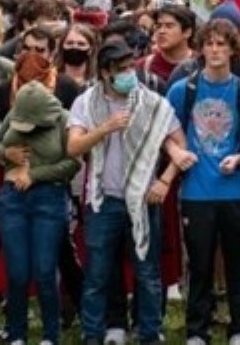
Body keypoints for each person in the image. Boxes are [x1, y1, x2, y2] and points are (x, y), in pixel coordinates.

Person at [68, 37, 186, 345]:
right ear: (105, 72)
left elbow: (179, 145)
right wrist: (105, 128)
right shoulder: (86, 102)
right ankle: (94, 332)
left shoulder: (152, 102)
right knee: (97, 273)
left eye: (130, 67)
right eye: (121, 69)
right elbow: (73, 147)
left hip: (144, 199)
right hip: (103, 200)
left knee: (147, 273)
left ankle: (149, 332)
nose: (128, 74)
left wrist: (164, 180)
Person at [167, 18, 240, 345]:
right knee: (199, 264)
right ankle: (197, 330)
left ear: (233, 49)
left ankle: (239, 327)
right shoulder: (182, 89)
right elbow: (166, 132)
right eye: (209, 43)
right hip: (197, 191)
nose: (215, 50)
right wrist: (175, 152)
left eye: (221, 44)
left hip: (237, 190)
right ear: (200, 48)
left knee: (237, 262)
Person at [0, 79, 79, 345]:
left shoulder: (64, 119)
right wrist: (6, 152)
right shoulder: (15, 112)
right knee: (17, 271)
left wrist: (36, 174)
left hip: (49, 198)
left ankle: (50, 334)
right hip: (12, 198)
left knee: (45, 270)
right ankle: (15, 332)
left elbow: (73, 163)